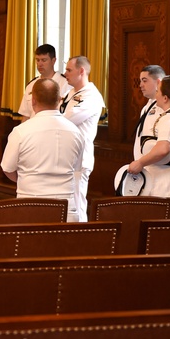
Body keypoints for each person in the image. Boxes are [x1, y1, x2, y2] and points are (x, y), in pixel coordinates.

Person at [1, 78, 85, 221]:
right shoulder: (75, 132)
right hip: (66, 209)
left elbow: (8, 169)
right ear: (59, 100)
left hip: (30, 205)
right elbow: (76, 168)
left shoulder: (21, 131)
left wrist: (27, 180)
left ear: (33, 101)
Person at [127, 75, 170, 219]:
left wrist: (140, 163)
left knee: (166, 231)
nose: (155, 94)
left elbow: (163, 149)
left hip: (167, 183)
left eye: (158, 91)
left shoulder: (169, 119)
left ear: (165, 98)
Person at [60, 56, 105, 221]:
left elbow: (65, 119)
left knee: (76, 203)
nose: (65, 74)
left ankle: (82, 238)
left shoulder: (91, 96)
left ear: (81, 71)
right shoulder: (70, 92)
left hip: (79, 156)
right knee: (65, 202)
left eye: (69, 70)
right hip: (65, 154)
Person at [17, 44, 70, 119]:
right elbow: (26, 115)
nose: (40, 64)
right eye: (37, 60)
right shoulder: (31, 85)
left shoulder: (65, 84)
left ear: (53, 61)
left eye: (44, 60)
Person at [134, 65, 166, 160]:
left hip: (155, 165)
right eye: (140, 81)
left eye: (144, 80)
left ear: (158, 82)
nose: (140, 85)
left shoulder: (164, 108)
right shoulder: (146, 107)